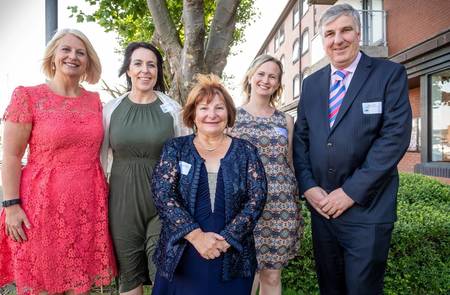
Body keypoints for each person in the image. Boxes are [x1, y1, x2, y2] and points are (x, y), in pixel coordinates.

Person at [293, 4, 412, 294]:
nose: (338, 40)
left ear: (358, 33)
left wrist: (349, 193)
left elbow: (393, 139)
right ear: (323, 40)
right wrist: (308, 187)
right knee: (330, 289)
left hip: (368, 211)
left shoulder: (389, 74)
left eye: (345, 30)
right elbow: (301, 141)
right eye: (330, 33)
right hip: (323, 212)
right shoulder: (311, 84)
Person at [0, 28, 117, 294]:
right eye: (65, 49)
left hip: (87, 206)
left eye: (80, 52)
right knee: (43, 283)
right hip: (40, 206)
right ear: (53, 56)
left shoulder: (96, 102)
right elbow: (11, 155)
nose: (72, 56)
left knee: (78, 285)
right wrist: (11, 206)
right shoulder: (28, 96)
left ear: (88, 61)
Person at [150, 74, 268, 295]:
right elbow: (163, 195)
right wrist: (196, 236)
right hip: (183, 253)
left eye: (219, 108)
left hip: (231, 254)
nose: (211, 115)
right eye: (204, 108)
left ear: (229, 113)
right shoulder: (175, 149)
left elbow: (257, 199)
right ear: (192, 114)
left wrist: (227, 240)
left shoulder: (246, 151)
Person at [100, 42, 190, 295]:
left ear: (158, 71)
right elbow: (100, 158)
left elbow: (185, 158)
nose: (145, 70)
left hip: (163, 204)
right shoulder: (111, 109)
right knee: (129, 277)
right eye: (138, 64)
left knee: (163, 272)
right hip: (122, 204)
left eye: (152, 65)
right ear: (128, 69)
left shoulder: (172, 109)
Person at [230, 54, 302, 295]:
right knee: (246, 276)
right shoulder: (232, 117)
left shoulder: (287, 120)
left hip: (280, 208)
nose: (266, 80)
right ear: (250, 76)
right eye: (261, 73)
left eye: (273, 76)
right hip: (244, 206)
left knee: (271, 276)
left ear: (278, 83)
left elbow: (290, 162)